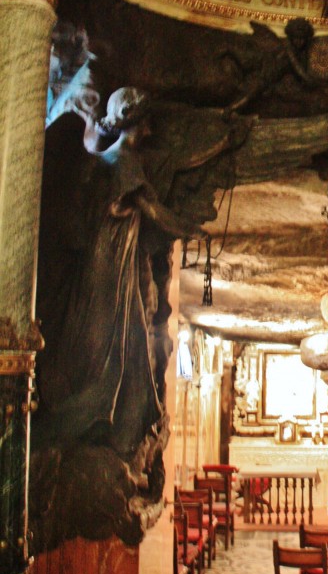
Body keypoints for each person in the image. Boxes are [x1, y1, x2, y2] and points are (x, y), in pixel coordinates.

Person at [34, 88, 205, 459]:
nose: (150, 129)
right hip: (106, 260)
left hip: (116, 259)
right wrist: (191, 229)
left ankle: (105, 418)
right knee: (106, 339)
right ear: (134, 121)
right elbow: (153, 210)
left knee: (125, 341)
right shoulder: (123, 160)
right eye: (146, 122)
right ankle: (86, 415)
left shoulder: (119, 158)